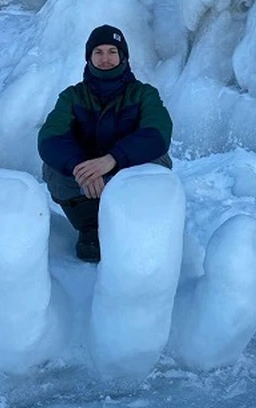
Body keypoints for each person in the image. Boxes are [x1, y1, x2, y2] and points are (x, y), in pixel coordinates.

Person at [37, 24, 173, 262]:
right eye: (98, 52)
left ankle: (137, 224)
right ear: (89, 57)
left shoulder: (143, 94)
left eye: (112, 51)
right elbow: (50, 138)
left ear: (123, 57)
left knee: (158, 163)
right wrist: (81, 168)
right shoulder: (72, 96)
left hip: (124, 175)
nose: (105, 58)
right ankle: (90, 227)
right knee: (53, 169)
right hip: (88, 179)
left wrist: (112, 160)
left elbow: (158, 134)